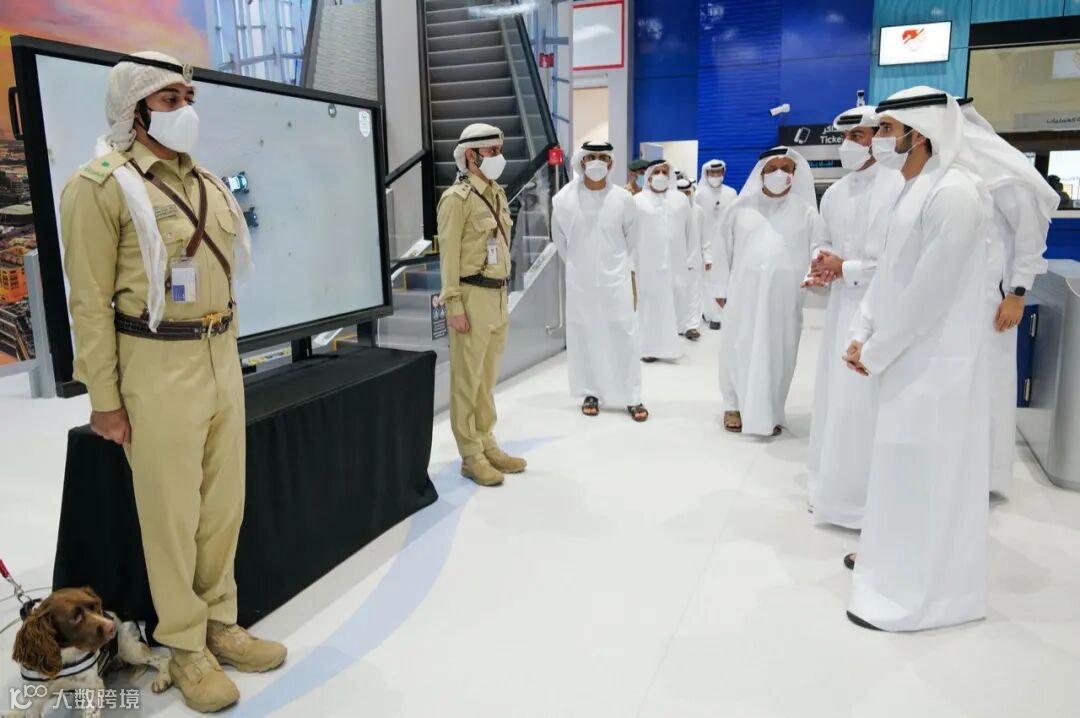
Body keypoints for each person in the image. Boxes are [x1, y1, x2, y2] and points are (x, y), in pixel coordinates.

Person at [59, 52, 284, 713]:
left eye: (188, 96)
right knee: (172, 516)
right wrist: (105, 399)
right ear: (134, 112)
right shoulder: (99, 186)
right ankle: (184, 645)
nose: (185, 109)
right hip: (155, 365)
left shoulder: (206, 181)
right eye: (168, 99)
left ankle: (220, 623)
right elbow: (89, 303)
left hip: (219, 356)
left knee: (222, 507)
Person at [844, 87, 992, 632]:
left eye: (885, 129)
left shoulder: (955, 194)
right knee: (900, 471)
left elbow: (929, 293)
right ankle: (890, 568)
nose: (877, 139)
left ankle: (923, 600)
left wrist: (876, 349)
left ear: (919, 133)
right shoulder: (914, 189)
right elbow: (889, 273)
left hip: (933, 364)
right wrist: (862, 331)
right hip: (900, 356)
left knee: (927, 476)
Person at [803, 105, 904, 528]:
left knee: (865, 404)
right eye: (845, 137)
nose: (849, 145)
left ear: (879, 138)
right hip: (841, 307)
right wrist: (822, 264)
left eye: (858, 136)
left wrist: (847, 268)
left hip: (880, 310)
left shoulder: (899, 186)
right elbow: (822, 240)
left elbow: (899, 261)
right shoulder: (836, 192)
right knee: (834, 399)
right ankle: (828, 488)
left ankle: (864, 503)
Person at [958, 97, 1057, 495]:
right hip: (953, 300)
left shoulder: (1001, 170)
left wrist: (1017, 293)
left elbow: (1029, 237)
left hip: (991, 300)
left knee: (990, 384)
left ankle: (987, 477)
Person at [438, 123, 528, 488]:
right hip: (471, 296)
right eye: (491, 151)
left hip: (498, 295)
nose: (498, 157)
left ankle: (487, 440)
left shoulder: (496, 193)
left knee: (487, 378)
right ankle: (470, 454)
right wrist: (453, 304)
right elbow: (448, 256)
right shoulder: (456, 199)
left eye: (498, 150)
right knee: (466, 379)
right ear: (471, 155)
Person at [716, 146, 823, 436]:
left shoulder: (806, 213)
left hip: (784, 298)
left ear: (794, 174)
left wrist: (816, 271)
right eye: (772, 168)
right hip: (743, 294)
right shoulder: (740, 209)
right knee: (738, 345)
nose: (779, 174)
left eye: (786, 169)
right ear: (760, 173)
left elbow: (818, 248)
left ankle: (772, 409)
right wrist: (720, 288)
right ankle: (733, 404)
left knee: (780, 351)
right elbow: (722, 250)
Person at [552, 141, 648, 422]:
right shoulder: (564, 200)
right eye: (591, 156)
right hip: (580, 281)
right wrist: (579, 266)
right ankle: (590, 392)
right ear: (581, 161)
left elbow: (632, 239)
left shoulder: (624, 199)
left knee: (623, 334)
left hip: (616, 279)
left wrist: (617, 267)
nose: (596, 162)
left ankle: (631, 395)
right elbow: (560, 241)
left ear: (611, 163)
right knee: (584, 335)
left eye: (602, 157)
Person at [634, 160, 692, 362]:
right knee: (649, 304)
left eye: (664, 172)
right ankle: (647, 348)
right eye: (656, 171)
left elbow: (690, 230)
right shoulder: (637, 200)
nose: (660, 175)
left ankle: (669, 346)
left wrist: (691, 259)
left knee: (673, 303)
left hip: (676, 261)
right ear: (648, 176)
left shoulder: (680, 200)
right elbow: (630, 234)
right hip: (647, 262)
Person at [696, 159, 737, 330]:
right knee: (706, 279)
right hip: (705, 243)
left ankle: (718, 314)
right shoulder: (699, 194)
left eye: (718, 172)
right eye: (712, 173)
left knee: (722, 279)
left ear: (723, 173)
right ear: (706, 174)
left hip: (725, 243)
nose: (715, 175)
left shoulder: (731, 193)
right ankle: (710, 313)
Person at [677, 177, 711, 342]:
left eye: (687, 192)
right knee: (678, 294)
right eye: (681, 193)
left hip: (695, 260)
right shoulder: (671, 212)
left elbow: (705, 237)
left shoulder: (699, 212)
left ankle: (692, 326)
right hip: (676, 261)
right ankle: (678, 326)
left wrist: (708, 257)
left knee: (694, 294)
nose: (685, 196)